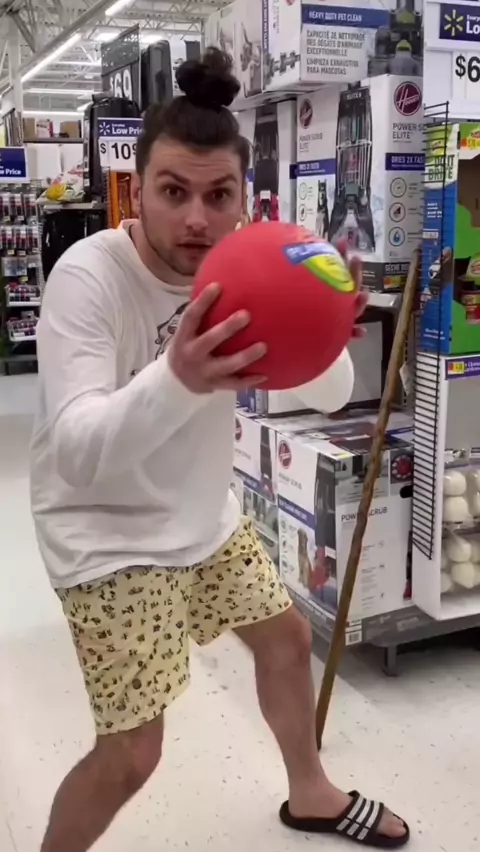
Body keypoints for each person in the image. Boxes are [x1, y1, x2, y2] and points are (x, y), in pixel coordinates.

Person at [30, 48, 409, 851]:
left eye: (218, 195)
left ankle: (311, 793)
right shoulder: (88, 278)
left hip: (203, 517)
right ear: (138, 189)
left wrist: (323, 319)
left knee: (287, 642)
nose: (196, 219)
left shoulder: (247, 266)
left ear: (243, 196)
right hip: (105, 535)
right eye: (174, 193)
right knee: (133, 754)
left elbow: (332, 393)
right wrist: (180, 375)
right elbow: (77, 455)